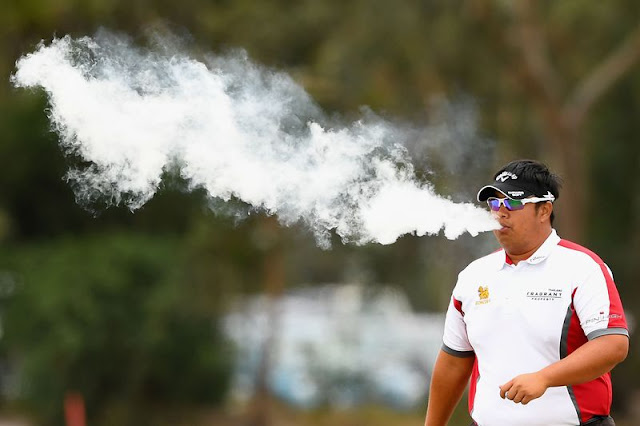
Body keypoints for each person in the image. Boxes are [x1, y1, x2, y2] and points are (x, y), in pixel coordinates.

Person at [424, 159, 629, 426]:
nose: (500, 213)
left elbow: (613, 345)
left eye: (512, 202)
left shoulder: (583, 267)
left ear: (544, 210)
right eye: (494, 203)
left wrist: (544, 378)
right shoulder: (473, 276)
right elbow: (454, 361)